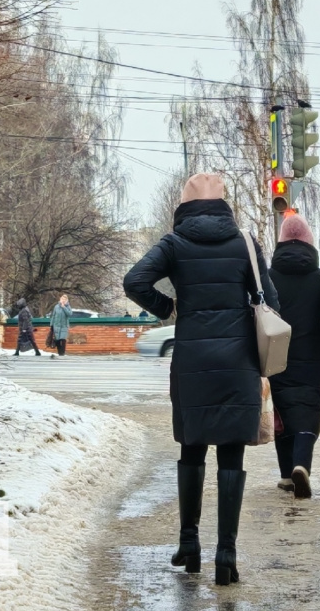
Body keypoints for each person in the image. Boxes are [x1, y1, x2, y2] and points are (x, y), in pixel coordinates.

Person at [123, 173, 279, 586]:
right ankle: (225, 554)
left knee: (192, 449)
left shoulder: (174, 244)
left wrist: (169, 307)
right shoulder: (244, 242)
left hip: (192, 360)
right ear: (223, 203)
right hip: (238, 361)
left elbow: (134, 281)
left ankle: (189, 544)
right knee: (231, 453)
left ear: (185, 204)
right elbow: (272, 302)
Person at [267, 214, 320, 499]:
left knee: (280, 412)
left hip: (275, 355)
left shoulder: (267, 278)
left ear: (280, 243)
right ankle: (301, 465)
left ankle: (286, 475)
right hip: (312, 356)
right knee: (308, 411)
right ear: (310, 244)